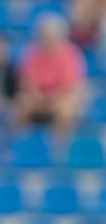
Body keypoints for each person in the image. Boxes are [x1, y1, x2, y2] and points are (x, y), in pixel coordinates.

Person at [13, 13, 88, 142]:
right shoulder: (31, 52)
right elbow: (26, 81)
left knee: (66, 108)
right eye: (43, 35)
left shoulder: (71, 53)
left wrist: (51, 98)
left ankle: (58, 150)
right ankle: (23, 145)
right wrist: (37, 96)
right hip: (38, 97)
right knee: (21, 104)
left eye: (49, 36)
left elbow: (71, 85)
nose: (46, 39)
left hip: (60, 97)